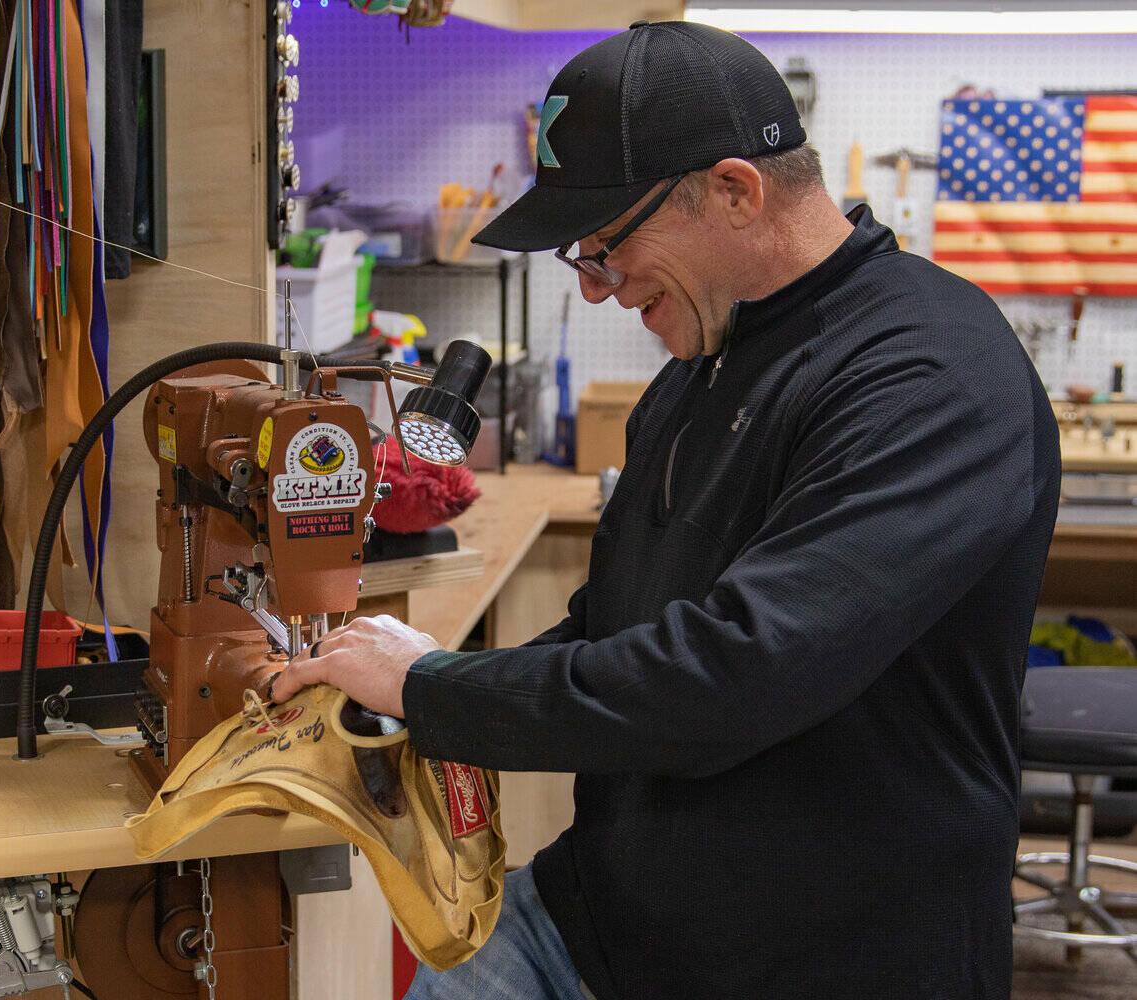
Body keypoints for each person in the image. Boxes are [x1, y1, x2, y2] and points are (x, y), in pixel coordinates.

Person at [272, 20, 1060, 1000]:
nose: (600, 290)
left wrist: (434, 693)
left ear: (735, 189)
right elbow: (613, 626)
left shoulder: (928, 374)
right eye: (581, 260)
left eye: (608, 247)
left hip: (823, 963)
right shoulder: (700, 360)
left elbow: (733, 677)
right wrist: (416, 685)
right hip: (598, 929)